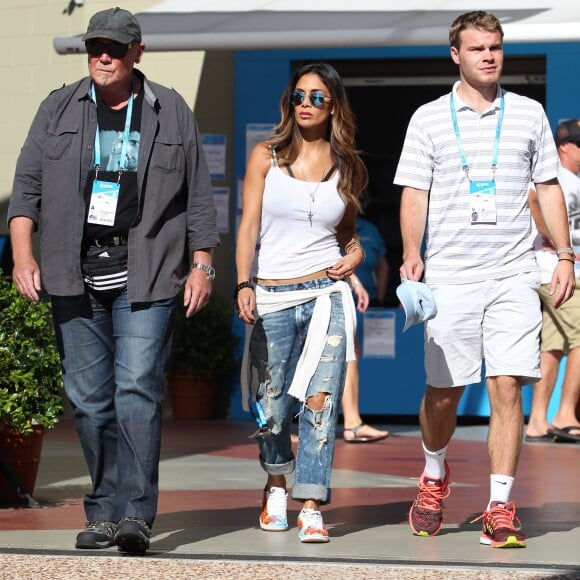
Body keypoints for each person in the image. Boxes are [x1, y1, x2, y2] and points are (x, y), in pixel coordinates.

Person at [8, 7, 219, 555]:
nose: (104, 56)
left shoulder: (169, 110)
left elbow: (199, 197)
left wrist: (201, 265)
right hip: (72, 270)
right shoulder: (57, 106)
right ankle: (102, 510)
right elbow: (26, 187)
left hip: (146, 272)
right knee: (89, 400)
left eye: (116, 48)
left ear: (137, 53)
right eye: (95, 47)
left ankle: (134, 514)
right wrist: (22, 255)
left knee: (135, 391)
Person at [394, 10, 575, 549]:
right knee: (444, 392)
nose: (489, 56)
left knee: (507, 385)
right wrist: (411, 252)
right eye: (477, 49)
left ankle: (499, 504)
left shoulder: (528, 113)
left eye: (495, 47)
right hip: (450, 273)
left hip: (515, 271)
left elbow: (547, 188)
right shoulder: (428, 118)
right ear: (456, 54)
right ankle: (433, 472)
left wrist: (564, 254)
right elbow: (414, 191)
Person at [236, 62, 367, 543]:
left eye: (317, 97)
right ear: (288, 103)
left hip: (326, 295)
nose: (306, 104)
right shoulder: (264, 157)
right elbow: (248, 225)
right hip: (270, 292)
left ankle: (310, 501)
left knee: (320, 402)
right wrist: (242, 283)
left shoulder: (348, 164)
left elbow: (348, 235)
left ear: (333, 104)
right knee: (268, 405)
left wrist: (356, 255)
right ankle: (275, 484)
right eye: (298, 96)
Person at [526, 119, 580, 444]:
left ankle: (536, 422)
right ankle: (565, 414)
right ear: (564, 147)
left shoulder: (573, 180)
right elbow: (533, 199)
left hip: (559, 272)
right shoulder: (556, 176)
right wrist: (556, 242)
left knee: (554, 346)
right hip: (554, 271)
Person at [342, 273, 390, 442]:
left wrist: (355, 284)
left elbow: (333, 256)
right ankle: (278, 428)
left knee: (350, 352)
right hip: (296, 291)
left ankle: (353, 423)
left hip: (334, 289)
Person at [353, 216, 389, 307]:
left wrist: (379, 300)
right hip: (338, 298)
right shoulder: (331, 228)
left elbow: (382, 267)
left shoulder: (370, 230)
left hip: (369, 299)